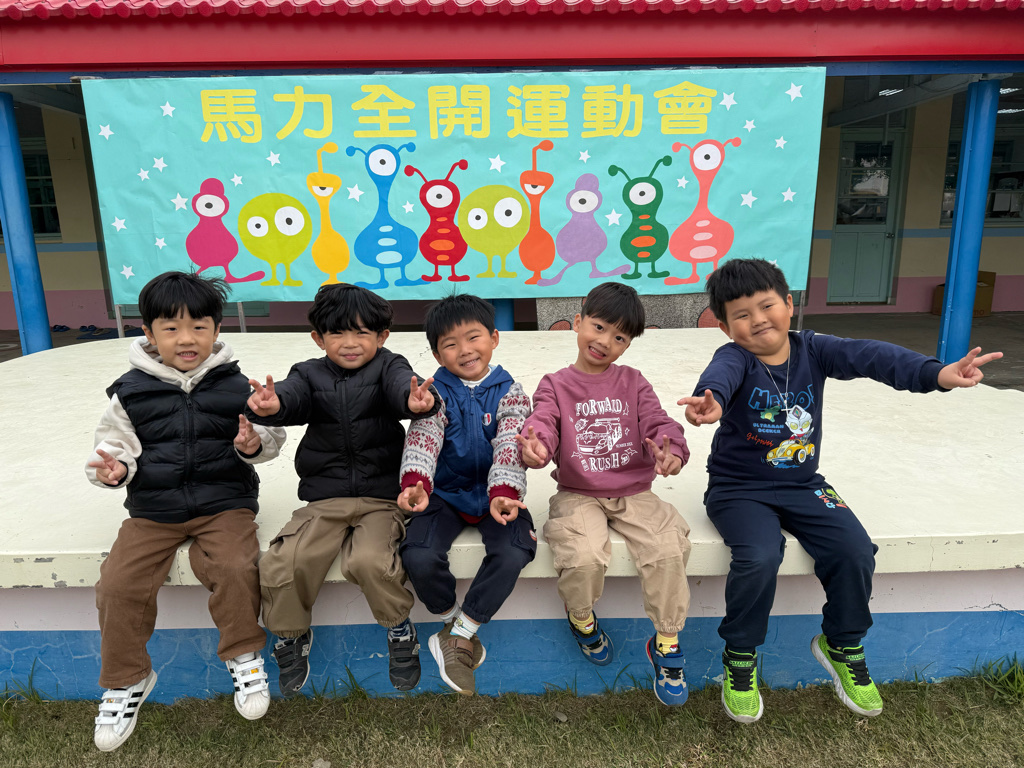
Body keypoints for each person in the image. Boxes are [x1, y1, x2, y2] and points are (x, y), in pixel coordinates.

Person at [680, 257, 1003, 724]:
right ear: (726, 327)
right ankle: (741, 657)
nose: (758, 320)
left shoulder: (814, 349)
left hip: (803, 484)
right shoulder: (735, 358)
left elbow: (873, 356)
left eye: (767, 306)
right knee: (760, 556)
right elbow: (719, 379)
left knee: (854, 550)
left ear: (789, 304)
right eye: (742, 315)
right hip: (738, 489)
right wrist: (709, 402)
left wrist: (935, 374)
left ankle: (842, 644)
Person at [85, 271, 285, 752]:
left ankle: (243, 654)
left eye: (199, 326)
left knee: (235, 565)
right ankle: (127, 678)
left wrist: (253, 443)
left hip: (225, 503)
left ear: (216, 329)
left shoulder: (236, 385)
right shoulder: (130, 392)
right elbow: (114, 447)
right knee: (118, 582)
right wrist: (114, 470)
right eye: (171, 328)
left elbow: (270, 437)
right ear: (149, 334)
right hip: (154, 509)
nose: (187, 338)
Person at [245, 283, 439, 697]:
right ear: (319, 338)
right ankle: (291, 635)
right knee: (285, 561)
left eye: (362, 332)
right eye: (337, 333)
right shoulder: (307, 373)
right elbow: (293, 397)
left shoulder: (389, 365)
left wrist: (415, 402)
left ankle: (399, 630)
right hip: (324, 498)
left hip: (381, 498)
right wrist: (274, 405)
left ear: (382, 336)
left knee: (370, 561)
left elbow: (402, 387)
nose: (350, 343)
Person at [518, 282, 693, 707]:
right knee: (582, 555)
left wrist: (671, 450)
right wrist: (536, 445)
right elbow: (543, 420)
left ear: (628, 345)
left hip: (635, 490)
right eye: (598, 327)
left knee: (668, 547)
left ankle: (666, 642)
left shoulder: (633, 382)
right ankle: (582, 620)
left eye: (620, 337)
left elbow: (659, 422)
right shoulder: (555, 384)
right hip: (578, 492)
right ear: (578, 322)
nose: (605, 342)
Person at [398, 294, 536, 696]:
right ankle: (451, 623)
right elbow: (424, 438)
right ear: (436, 354)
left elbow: (510, 442)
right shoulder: (435, 393)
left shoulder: (511, 391)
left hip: (498, 495)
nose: (464, 350)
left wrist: (505, 492)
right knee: (417, 553)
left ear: (494, 338)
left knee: (514, 550)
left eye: (473, 337)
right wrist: (416, 483)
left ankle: (462, 633)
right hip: (445, 494)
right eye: (450, 344)